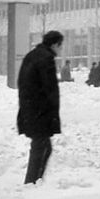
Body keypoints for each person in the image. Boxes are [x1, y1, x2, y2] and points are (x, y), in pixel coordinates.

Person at [17, 30, 64, 184]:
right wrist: (53, 113)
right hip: (40, 112)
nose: (60, 49)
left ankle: (34, 180)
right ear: (54, 44)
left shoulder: (32, 55)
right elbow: (50, 88)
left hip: (30, 109)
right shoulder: (46, 59)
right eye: (60, 46)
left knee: (43, 146)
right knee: (41, 147)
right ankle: (32, 182)